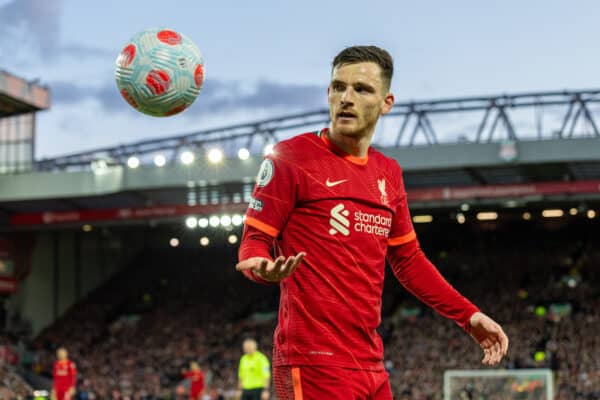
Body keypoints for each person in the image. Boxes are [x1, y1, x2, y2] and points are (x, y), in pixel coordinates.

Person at [236, 45, 509, 399]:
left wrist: (467, 316)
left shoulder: (388, 173)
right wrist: (260, 266)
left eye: (361, 89)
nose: (346, 98)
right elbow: (254, 241)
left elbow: (408, 261)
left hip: (370, 364)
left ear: (386, 102)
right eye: (338, 87)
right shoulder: (292, 158)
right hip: (314, 362)